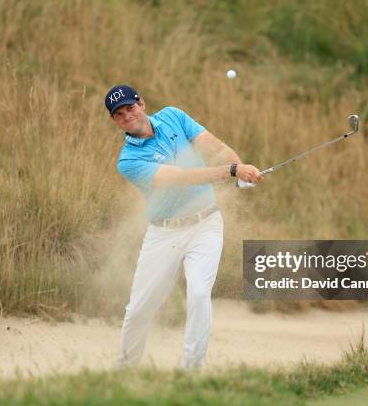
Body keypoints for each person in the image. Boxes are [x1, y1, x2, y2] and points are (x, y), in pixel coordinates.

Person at [105, 84, 262, 369]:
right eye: (119, 114)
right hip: (164, 233)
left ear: (142, 103)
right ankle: (124, 371)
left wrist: (240, 168)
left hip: (206, 223)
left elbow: (215, 147)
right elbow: (183, 177)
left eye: (130, 107)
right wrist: (231, 171)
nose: (127, 116)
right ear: (114, 121)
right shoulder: (128, 161)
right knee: (139, 309)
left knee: (199, 294)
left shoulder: (173, 116)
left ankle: (191, 374)